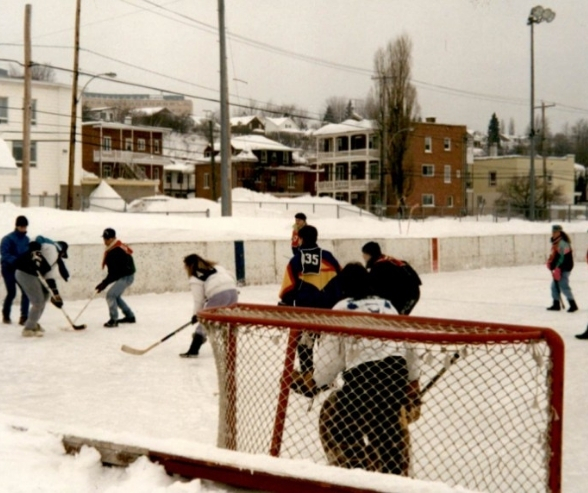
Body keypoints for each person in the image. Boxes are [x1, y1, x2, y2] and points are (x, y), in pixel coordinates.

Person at [290, 263, 421, 475]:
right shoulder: (387, 305)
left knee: (334, 418)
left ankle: (353, 472)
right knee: (389, 427)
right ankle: (398, 473)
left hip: (362, 380)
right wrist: (413, 382)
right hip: (395, 377)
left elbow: (330, 362)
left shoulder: (342, 309)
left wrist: (314, 381)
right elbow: (409, 346)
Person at [279, 224, 342, 373]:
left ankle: (308, 375)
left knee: (304, 347)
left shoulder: (296, 260)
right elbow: (342, 280)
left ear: (300, 239)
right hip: (329, 314)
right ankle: (326, 377)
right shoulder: (329, 257)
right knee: (329, 349)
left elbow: (287, 290)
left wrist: (286, 304)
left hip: (305, 314)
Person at [179, 254, 238, 358]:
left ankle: (193, 350)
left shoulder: (195, 278)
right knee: (227, 321)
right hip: (233, 292)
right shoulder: (217, 267)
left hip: (219, 295)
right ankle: (230, 348)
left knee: (205, 322)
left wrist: (196, 315)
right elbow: (231, 275)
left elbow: (199, 301)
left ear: (189, 266)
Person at [14, 238, 69, 337]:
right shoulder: (51, 249)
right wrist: (55, 294)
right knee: (38, 302)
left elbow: (49, 276)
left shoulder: (54, 258)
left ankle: (33, 323)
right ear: (62, 251)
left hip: (31, 274)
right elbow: (36, 241)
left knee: (45, 294)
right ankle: (28, 329)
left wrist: (56, 295)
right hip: (25, 272)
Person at [361, 241, 421, 315]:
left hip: (405, 295)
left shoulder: (379, 267)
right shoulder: (389, 260)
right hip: (412, 293)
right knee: (396, 316)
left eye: (364, 253)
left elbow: (372, 288)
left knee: (395, 317)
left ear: (370, 254)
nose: (363, 256)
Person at [95, 228, 136, 328]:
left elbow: (114, 273)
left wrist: (104, 284)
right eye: (104, 238)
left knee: (110, 295)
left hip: (126, 276)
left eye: (107, 238)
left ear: (113, 238)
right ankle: (130, 316)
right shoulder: (117, 247)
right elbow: (114, 272)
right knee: (115, 296)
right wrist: (104, 283)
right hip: (125, 275)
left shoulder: (116, 251)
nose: (105, 241)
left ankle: (113, 320)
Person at [1, 215, 30, 325]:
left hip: (21, 269)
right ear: (17, 226)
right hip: (8, 269)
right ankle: (6, 314)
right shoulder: (8, 239)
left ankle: (24, 316)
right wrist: (15, 261)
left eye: (25, 227)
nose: (23, 229)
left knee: (26, 291)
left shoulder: (26, 240)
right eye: (21, 226)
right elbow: (4, 254)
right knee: (12, 292)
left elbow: (27, 254)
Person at [546, 224, 577, 312]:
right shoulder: (556, 243)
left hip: (564, 268)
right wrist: (551, 263)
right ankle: (556, 304)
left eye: (555, 232)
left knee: (563, 285)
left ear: (559, 232)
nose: (553, 233)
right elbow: (555, 256)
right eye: (553, 232)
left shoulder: (563, 243)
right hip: (559, 268)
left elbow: (563, 258)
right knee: (554, 286)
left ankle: (573, 304)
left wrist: (558, 268)